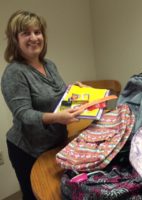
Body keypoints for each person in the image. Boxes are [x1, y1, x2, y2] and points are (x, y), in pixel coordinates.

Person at [1, 10, 83, 199]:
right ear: (15, 39)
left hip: (55, 143)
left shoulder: (49, 65)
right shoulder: (14, 73)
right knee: (35, 195)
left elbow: (55, 96)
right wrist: (57, 118)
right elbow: (24, 114)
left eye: (37, 32)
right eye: (26, 33)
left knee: (56, 192)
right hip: (28, 149)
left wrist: (72, 91)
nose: (34, 38)